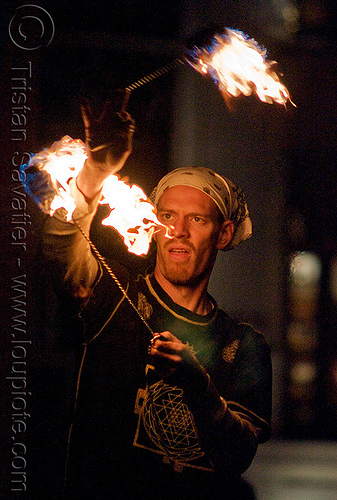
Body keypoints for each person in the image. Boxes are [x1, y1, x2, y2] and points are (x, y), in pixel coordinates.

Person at [22, 91, 272, 499]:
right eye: (168, 216)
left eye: (197, 220)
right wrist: (95, 172)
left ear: (224, 234)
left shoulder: (244, 346)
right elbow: (61, 247)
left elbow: (238, 455)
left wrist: (197, 385)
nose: (178, 231)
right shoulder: (113, 296)